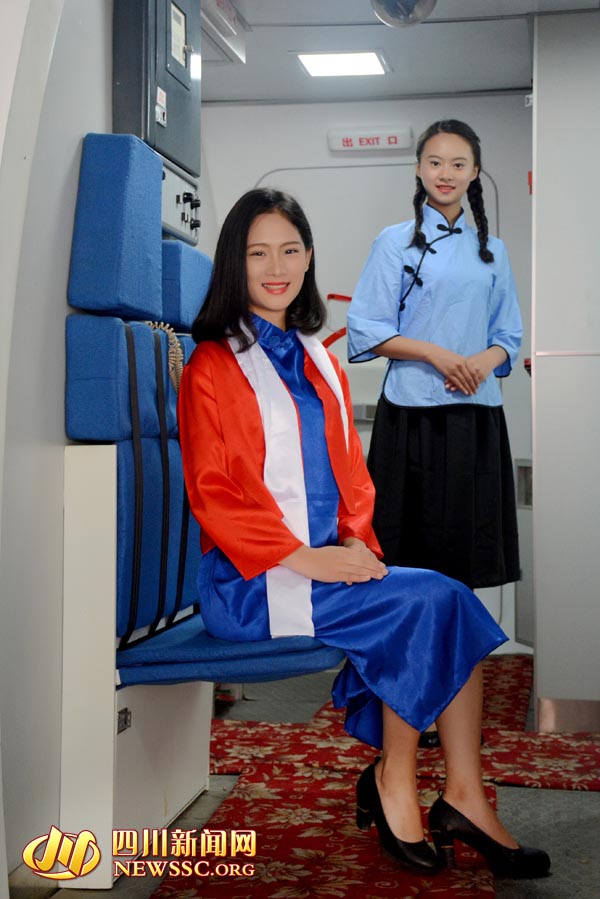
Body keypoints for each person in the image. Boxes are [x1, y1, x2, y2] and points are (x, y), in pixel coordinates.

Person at [178, 187, 549, 879]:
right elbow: (213, 492)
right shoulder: (211, 366)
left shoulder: (319, 358)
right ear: (234, 263)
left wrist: (354, 543)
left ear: (309, 257)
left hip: (325, 564)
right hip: (254, 581)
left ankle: (461, 793)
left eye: (290, 250)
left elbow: (353, 472)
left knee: (449, 598)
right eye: (258, 253)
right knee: (424, 605)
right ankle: (398, 781)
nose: (277, 267)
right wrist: (306, 558)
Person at [347, 120, 522, 748]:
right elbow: (367, 329)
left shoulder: (493, 252)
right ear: (419, 169)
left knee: (459, 577)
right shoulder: (393, 242)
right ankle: (404, 709)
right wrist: (434, 353)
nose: (446, 173)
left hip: (475, 420)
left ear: (474, 173)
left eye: (458, 163)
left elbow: (509, 336)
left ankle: (451, 711)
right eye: (435, 162)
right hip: (411, 422)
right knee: (406, 574)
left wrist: (482, 361)